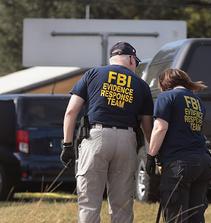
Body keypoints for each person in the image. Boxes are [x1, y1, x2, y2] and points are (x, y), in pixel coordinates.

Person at [61, 41, 154, 223]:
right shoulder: (141, 85)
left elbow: (71, 111)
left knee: (89, 202)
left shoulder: (93, 74)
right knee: (122, 205)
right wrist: (152, 154)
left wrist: (67, 145)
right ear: (130, 59)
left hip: (96, 137)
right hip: (127, 140)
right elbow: (147, 127)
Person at [146, 68, 211, 223]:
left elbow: (160, 128)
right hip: (204, 163)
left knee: (175, 216)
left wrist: (150, 155)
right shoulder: (197, 101)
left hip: (179, 163)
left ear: (164, 84)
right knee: (195, 217)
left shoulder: (166, 96)